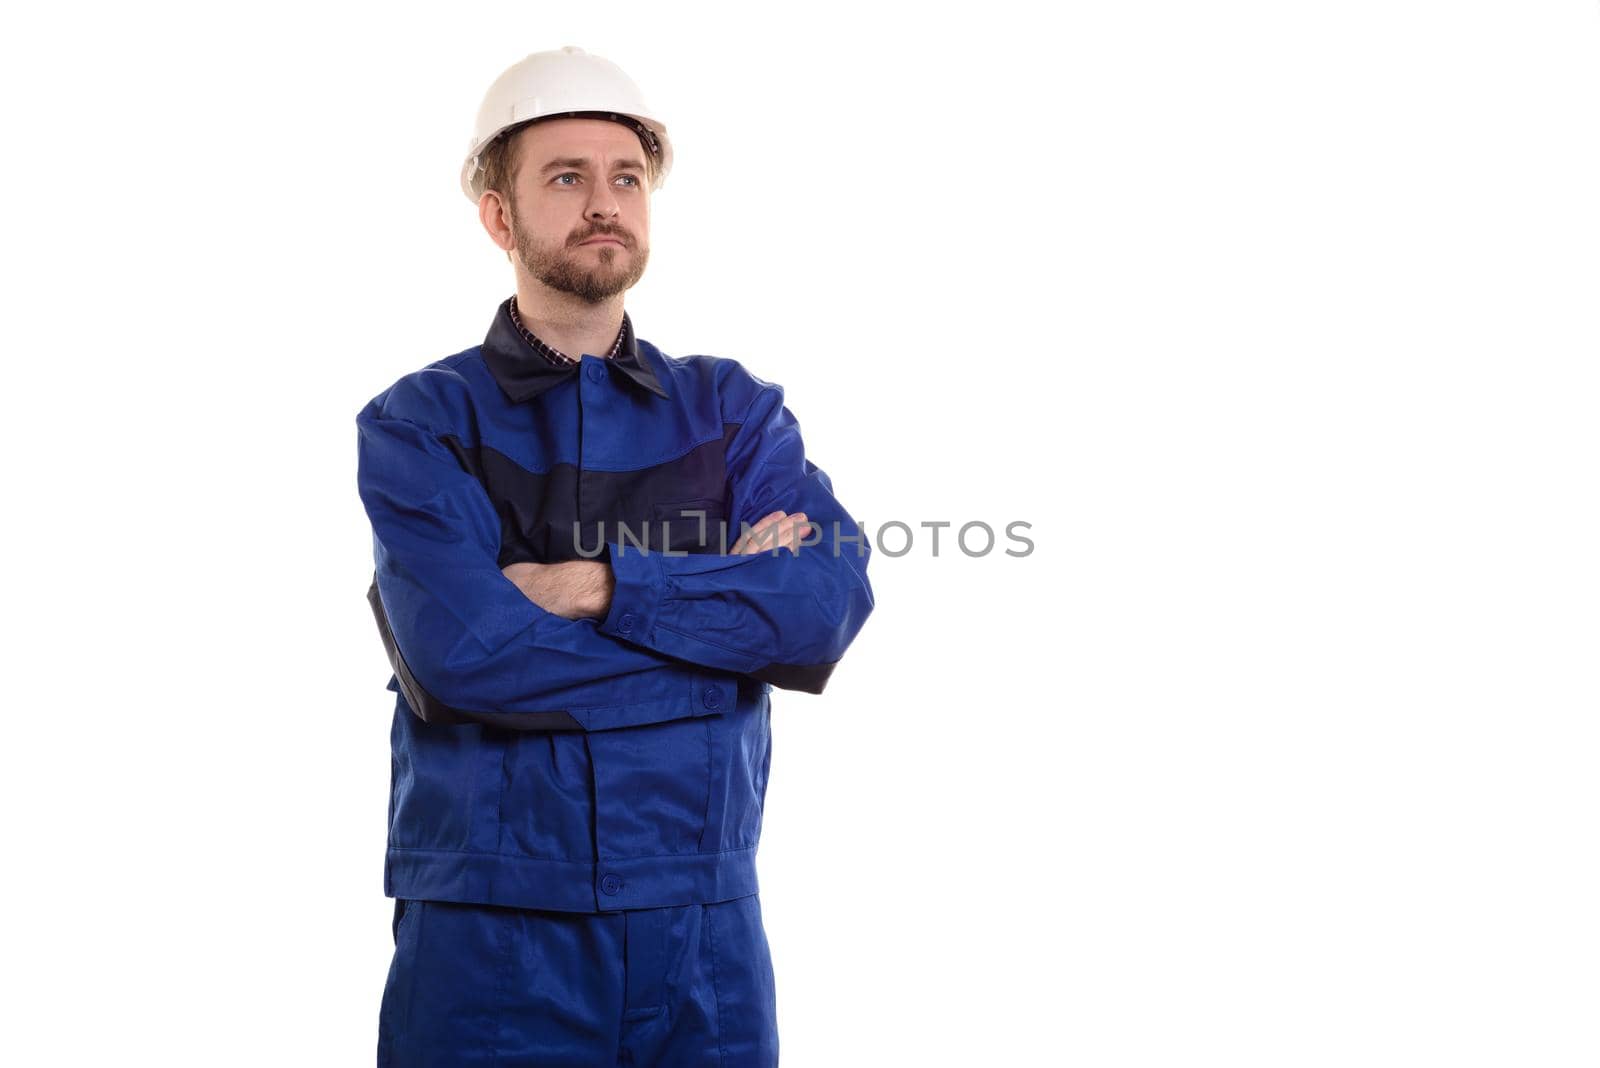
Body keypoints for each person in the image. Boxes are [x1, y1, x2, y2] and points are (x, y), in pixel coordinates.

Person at [355, 46, 876, 1066]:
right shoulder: (420, 423)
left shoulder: (732, 410)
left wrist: (602, 586)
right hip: (490, 932)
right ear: (498, 217)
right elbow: (467, 661)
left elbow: (822, 606)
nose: (604, 203)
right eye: (565, 178)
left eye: (625, 177)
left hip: (705, 928)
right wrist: (727, 640)